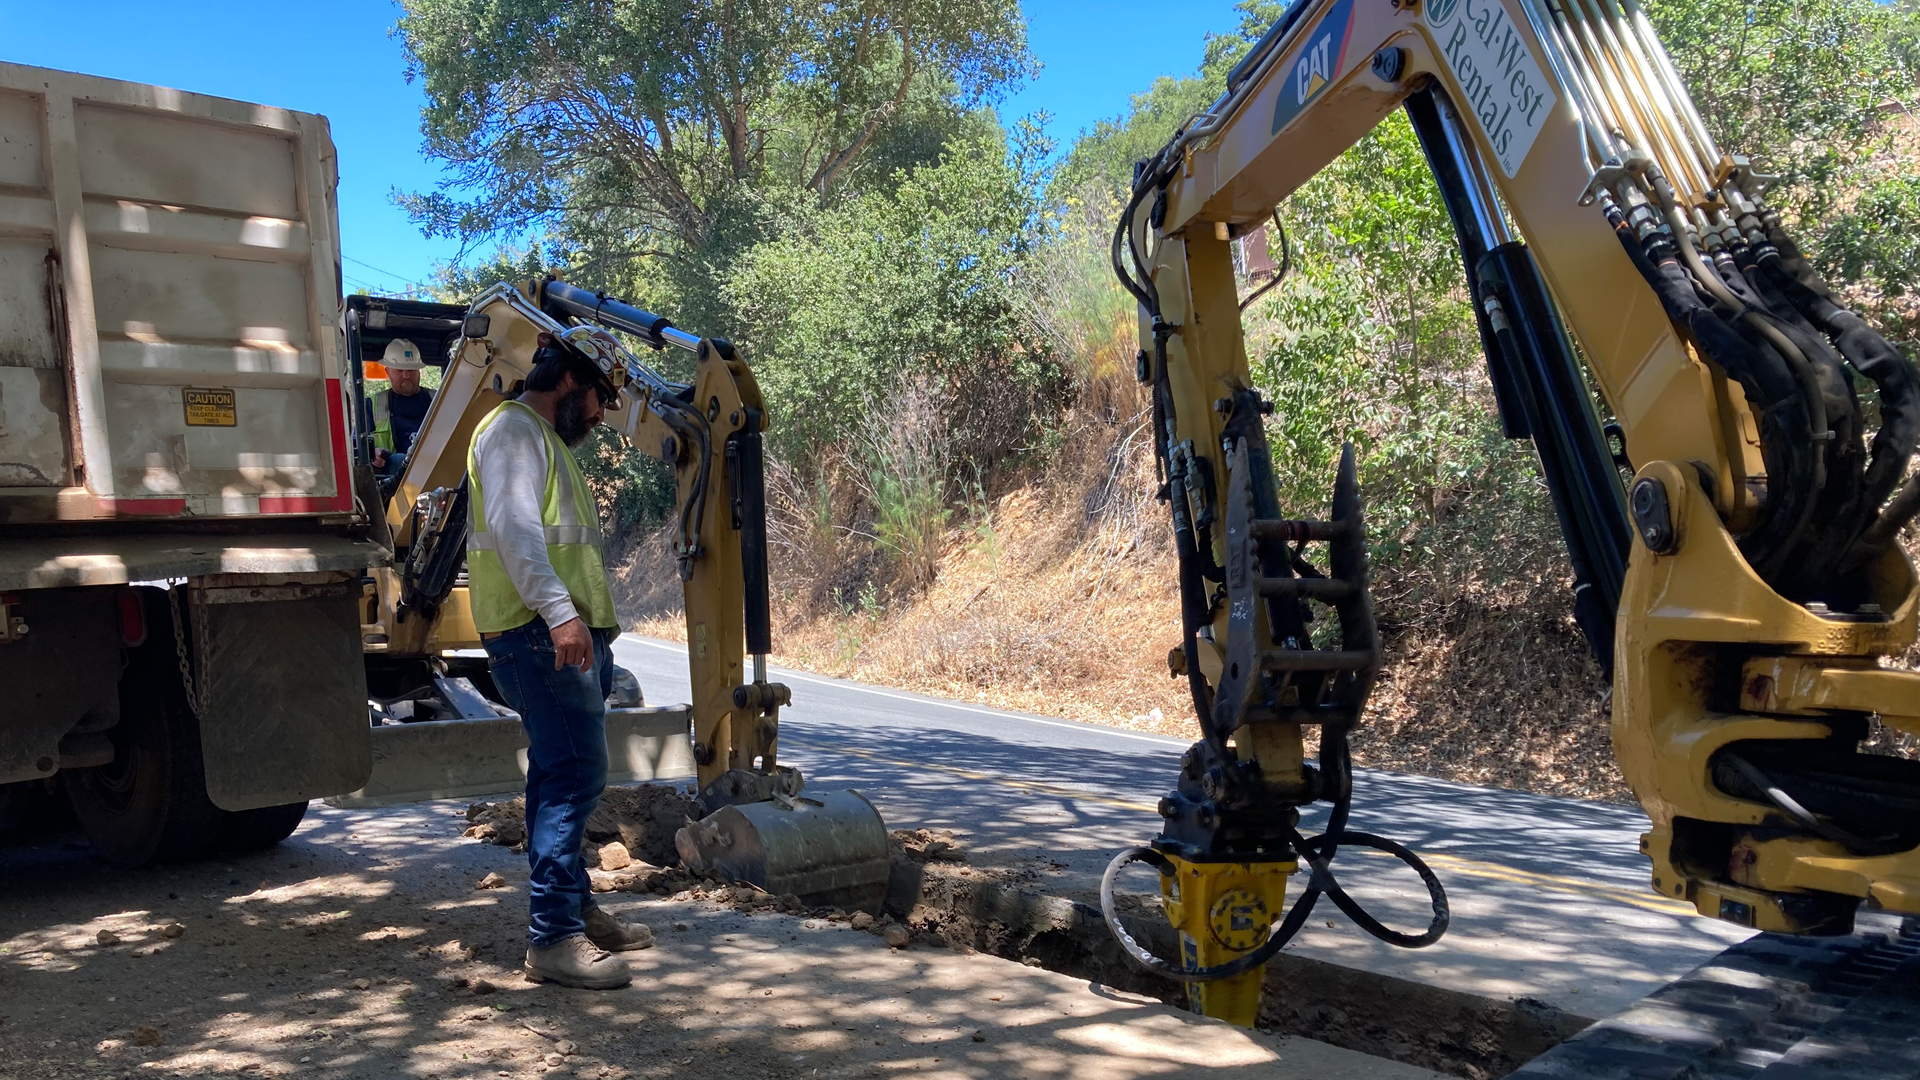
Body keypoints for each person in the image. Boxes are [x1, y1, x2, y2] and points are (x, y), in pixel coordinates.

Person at [466, 325, 647, 990]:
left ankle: (574, 912)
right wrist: (561, 613)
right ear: (570, 378)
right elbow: (516, 531)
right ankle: (553, 941)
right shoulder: (513, 432)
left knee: (554, 776)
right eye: (601, 396)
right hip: (539, 634)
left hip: (553, 632)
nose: (601, 414)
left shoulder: (538, 440)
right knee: (574, 773)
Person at [369, 338, 435, 478]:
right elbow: (358, 444)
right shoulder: (373, 405)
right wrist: (374, 452)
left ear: (419, 371)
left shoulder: (439, 400)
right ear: (387, 372)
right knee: (399, 460)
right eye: (399, 371)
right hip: (392, 479)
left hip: (435, 467)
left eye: (411, 370)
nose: (406, 376)